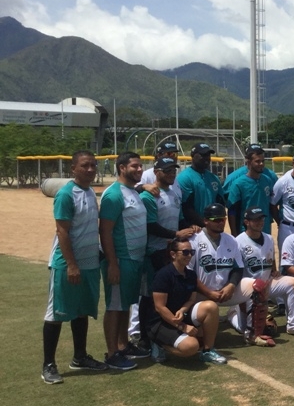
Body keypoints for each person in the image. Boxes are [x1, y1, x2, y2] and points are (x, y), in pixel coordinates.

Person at [41, 150, 108, 384]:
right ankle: (48, 364)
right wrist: (71, 264)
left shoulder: (90, 193)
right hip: (67, 264)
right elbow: (62, 231)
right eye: (85, 166)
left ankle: (80, 356)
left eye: (93, 165)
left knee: (81, 310)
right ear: (73, 169)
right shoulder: (66, 194)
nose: (90, 169)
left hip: (89, 263)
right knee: (57, 313)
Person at [130, 157, 197, 350]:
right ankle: (144, 337)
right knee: (150, 296)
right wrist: (176, 234)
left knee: (168, 294)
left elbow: (180, 219)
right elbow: (150, 226)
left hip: (171, 252)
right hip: (154, 251)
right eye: (167, 171)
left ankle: (165, 331)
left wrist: (191, 227)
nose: (172, 174)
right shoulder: (149, 196)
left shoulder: (174, 194)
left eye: (173, 171)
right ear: (156, 172)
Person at [98, 151, 148, 370]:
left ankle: (123, 344)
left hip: (134, 259)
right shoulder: (113, 194)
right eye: (135, 166)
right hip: (120, 258)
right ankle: (111, 354)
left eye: (140, 166)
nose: (139, 170)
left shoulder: (132, 192)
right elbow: (105, 231)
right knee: (114, 306)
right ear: (121, 168)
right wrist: (112, 263)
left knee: (125, 304)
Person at [190, 203, 267, 343]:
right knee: (198, 341)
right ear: (205, 220)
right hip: (200, 295)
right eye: (216, 220)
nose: (221, 223)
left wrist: (231, 285)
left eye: (223, 219)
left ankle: (253, 333)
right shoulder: (193, 240)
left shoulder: (231, 240)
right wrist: (208, 292)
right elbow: (188, 275)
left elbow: (238, 268)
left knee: (258, 286)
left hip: (226, 291)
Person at [144, 239, 227, 365]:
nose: (189, 255)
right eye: (185, 252)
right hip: (160, 321)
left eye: (191, 252)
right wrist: (182, 326)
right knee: (191, 346)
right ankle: (159, 344)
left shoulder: (191, 275)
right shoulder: (163, 275)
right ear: (173, 254)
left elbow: (191, 299)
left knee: (211, 307)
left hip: (180, 316)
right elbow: (160, 307)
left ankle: (208, 351)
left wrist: (183, 310)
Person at [234, 207, 294, 339]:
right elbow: (236, 270)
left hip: (267, 284)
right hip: (249, 290)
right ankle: (233, 315)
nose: (260, 222)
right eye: (255, 220)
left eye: (261, 218)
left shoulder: (268, 238)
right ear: (246, 222)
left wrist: (274, 270)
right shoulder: (238, 241)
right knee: (243, 328)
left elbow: (270, 258)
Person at [227, 144, 274, 236]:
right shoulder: (238, 183)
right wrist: (234, 232)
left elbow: (271, 204)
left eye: (263, 161)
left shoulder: (267, 180)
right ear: (249, 162)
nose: (261, 164)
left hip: (265, 229)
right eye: (257, 161)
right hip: (246, 231)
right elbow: (232, 210)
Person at [176, 143, 223, 228]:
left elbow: (220, 202)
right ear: (193, 156)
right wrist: (204, 225)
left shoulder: (214, 178)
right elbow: (186, 208)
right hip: (192, 227)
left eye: (208, 155)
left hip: (211, 226)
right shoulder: (184, 177)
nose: (207, 158)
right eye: (203, 155)